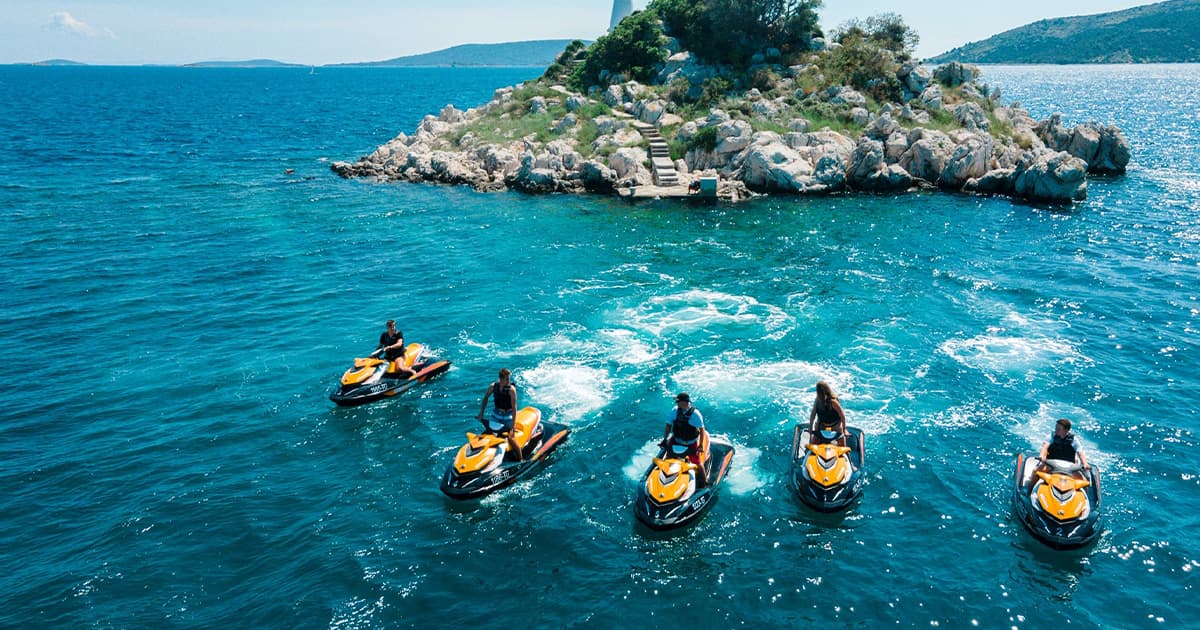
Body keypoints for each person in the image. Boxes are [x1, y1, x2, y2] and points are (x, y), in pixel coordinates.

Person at [661, 392, 708, 487]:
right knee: (667, 459)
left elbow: (702, 430)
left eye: (678, 402)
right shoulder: (674, 411)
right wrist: (665, 439)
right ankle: (663, 481)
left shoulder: (695, 414)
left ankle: (704, 483)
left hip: (690, 443)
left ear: (684, 402)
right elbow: (668, 426)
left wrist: (700, 446)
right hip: (676, 440)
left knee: (698, 464)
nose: (676, 403)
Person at [477, 368, 522, 461]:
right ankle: (482, 458)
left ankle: (521, 459)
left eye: (509, 378)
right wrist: (481, 413)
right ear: (501, 379)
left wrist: (513, 425)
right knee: (487, 434)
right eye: (507, 379)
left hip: (508, 415)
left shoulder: (511, 390)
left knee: (511, 438)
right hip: (496, 414)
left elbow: (514, 408)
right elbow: (485, 398)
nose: (509, 381)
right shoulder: (493, 387)